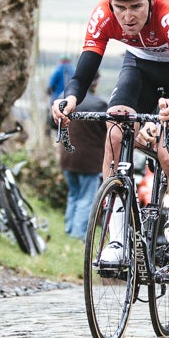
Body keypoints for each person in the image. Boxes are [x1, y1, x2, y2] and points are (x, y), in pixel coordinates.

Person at [51, 0, 169, 285]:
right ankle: (117, 237)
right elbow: (83, 73)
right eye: (119, 7)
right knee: (114, 126)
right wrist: (69, 99)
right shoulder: (103, 14)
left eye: (135, 6)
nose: (127, 16)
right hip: (139, 67)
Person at [59, 72, 107, 238]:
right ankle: (77, 234)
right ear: (95, 83)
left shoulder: (65, 102)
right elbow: (108, 131)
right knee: (86, 198)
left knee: (73, 194)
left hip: (67, 157)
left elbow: (53, 124)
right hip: (90, 160)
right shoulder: (100, 105)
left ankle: (68, 229)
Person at [45, 55, 74, 130]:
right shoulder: (73, 70)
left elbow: (51, 84)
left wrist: (49, 91)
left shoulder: (59, 69)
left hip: (57, 98)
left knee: (56, 118)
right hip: (70, 99)